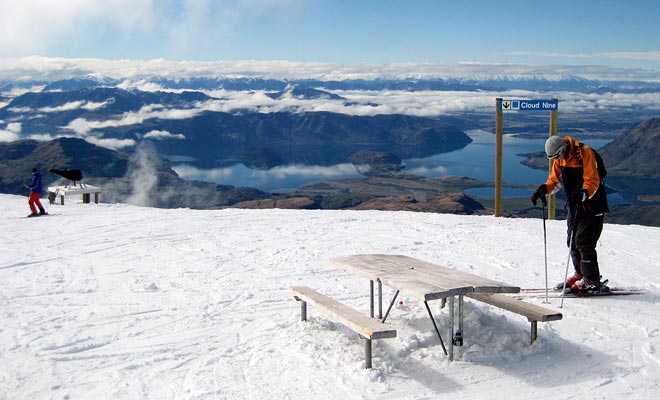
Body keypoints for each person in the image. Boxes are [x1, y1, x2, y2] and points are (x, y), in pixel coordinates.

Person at [531, 135, 609, 293]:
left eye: (558, 155)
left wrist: (583, 193)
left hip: (592, 206)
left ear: (563, 148)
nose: (557, 159)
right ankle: (580, 274)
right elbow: (555, 181)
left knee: (584, 242)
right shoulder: (560, 159)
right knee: (572, 241)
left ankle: (592, 280)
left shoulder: (585, 153)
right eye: (554, 157)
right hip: (575, 207)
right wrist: (544, 190)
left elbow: (592, 180)